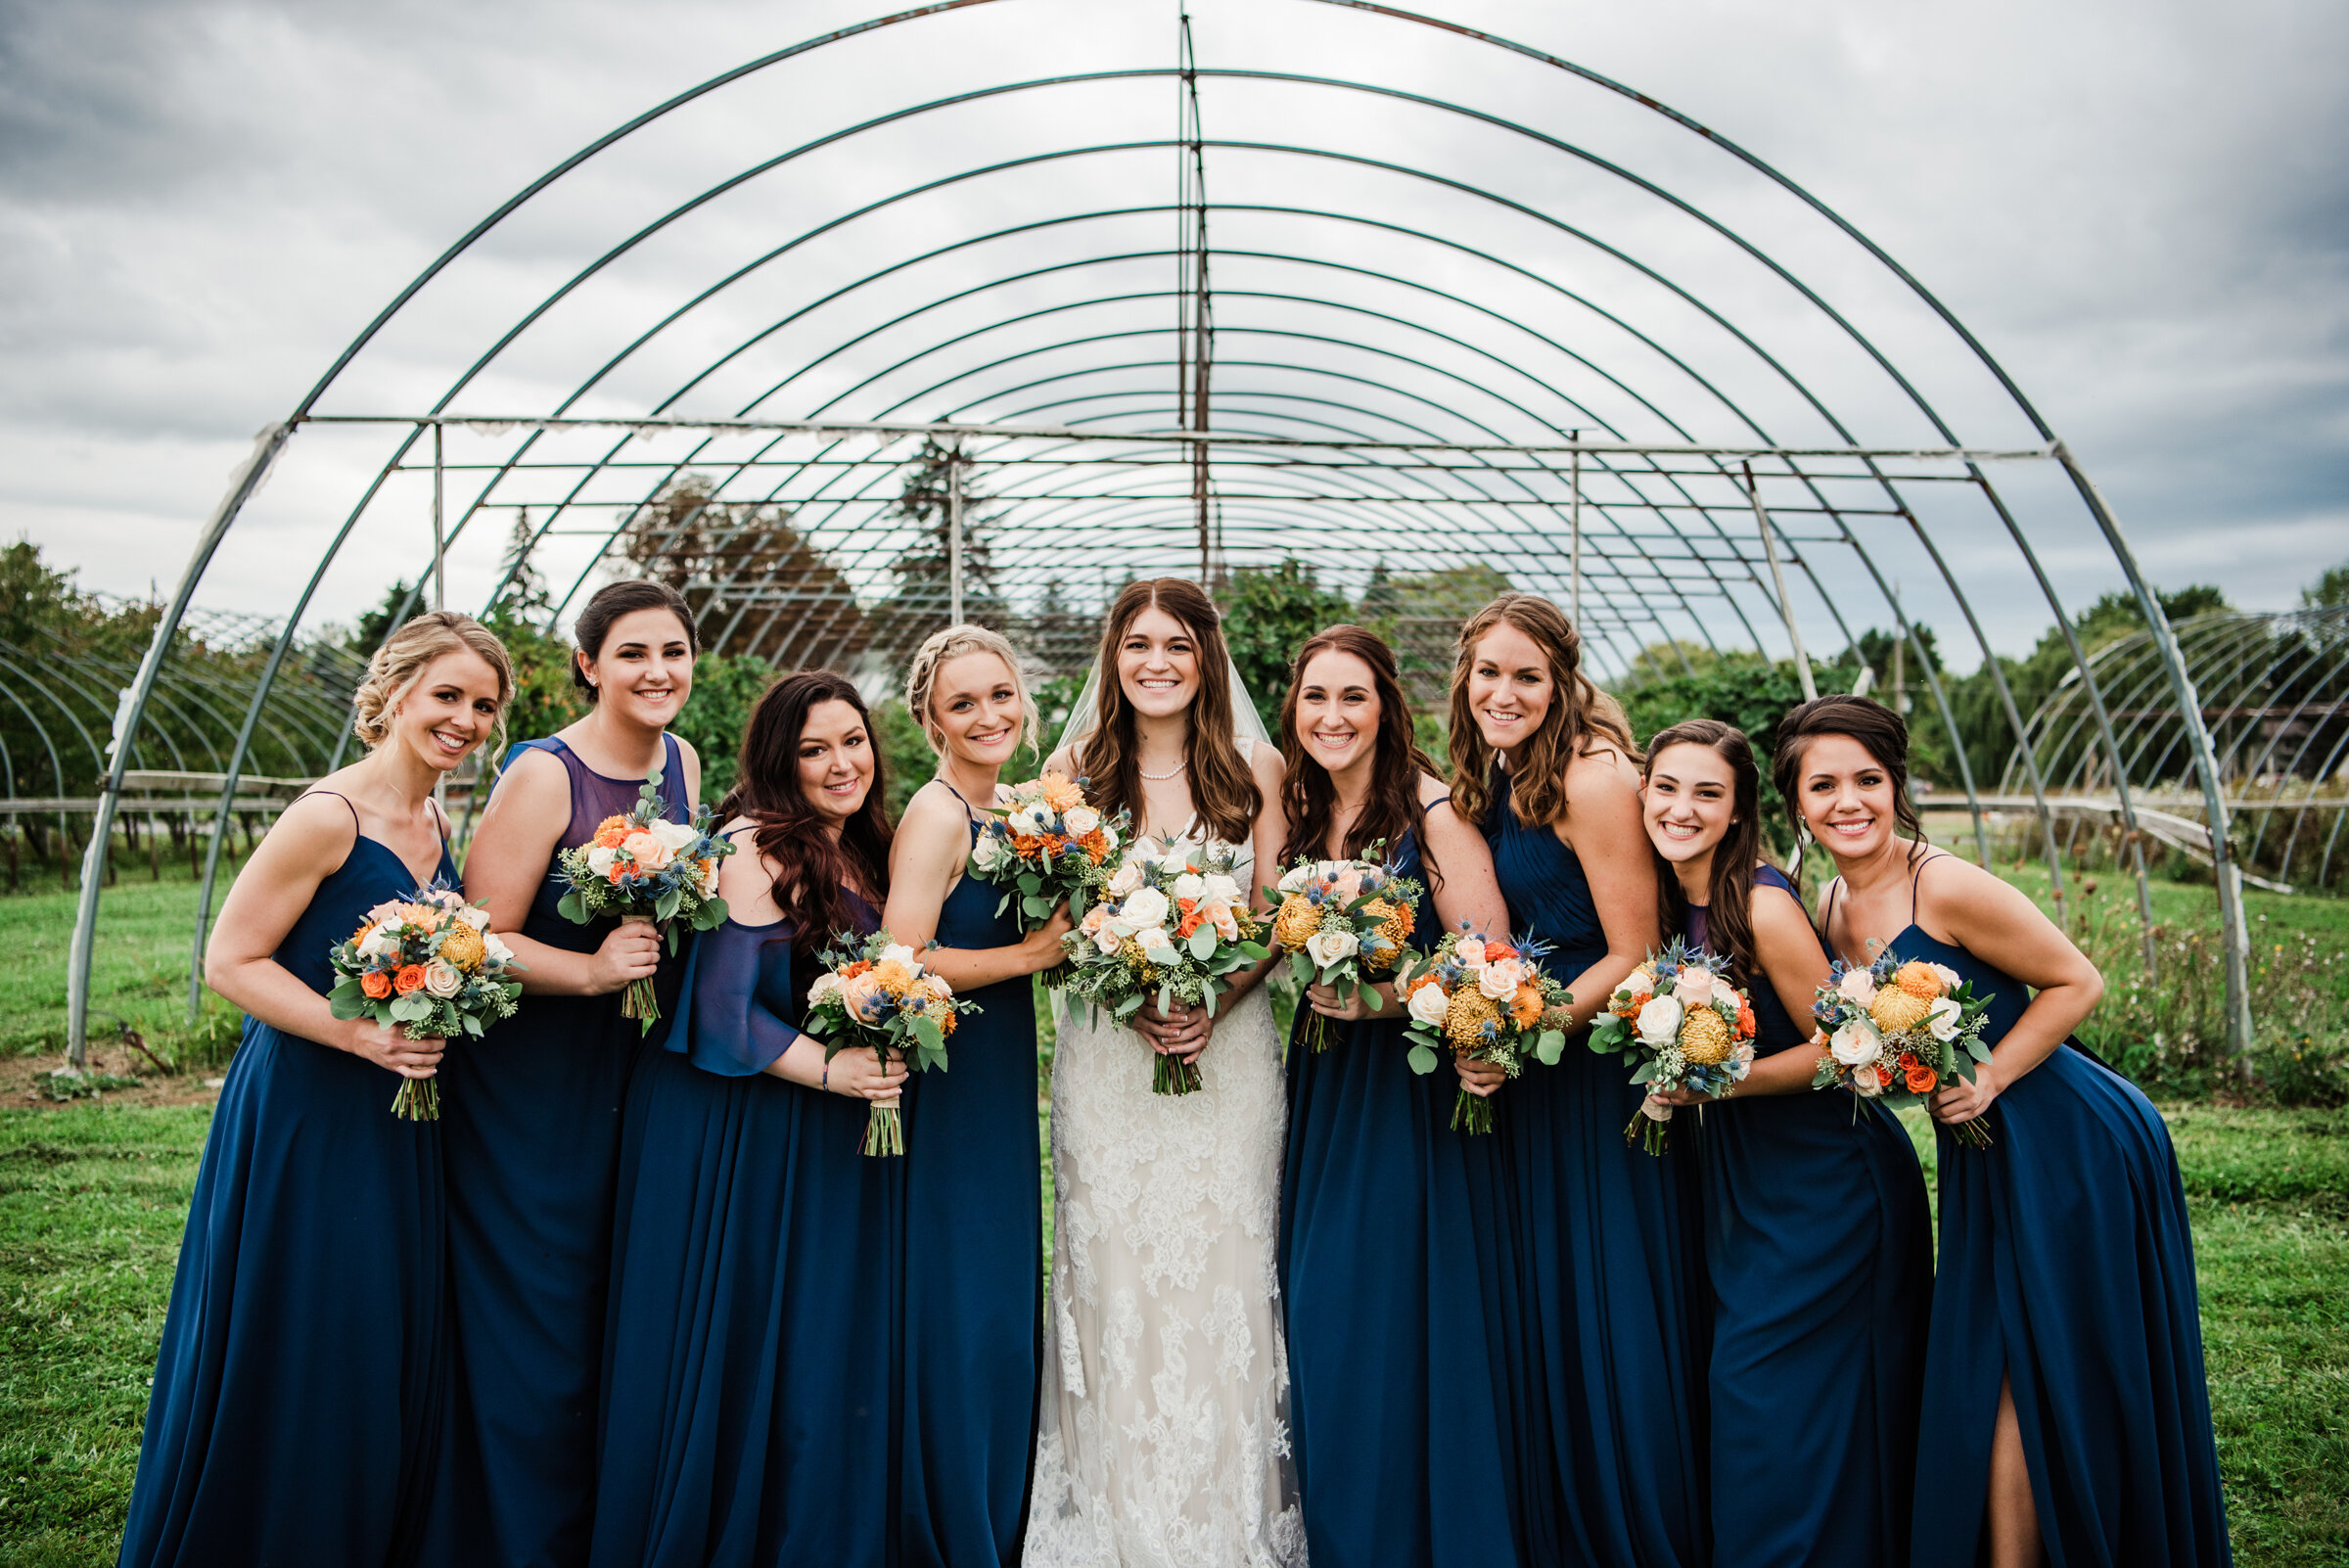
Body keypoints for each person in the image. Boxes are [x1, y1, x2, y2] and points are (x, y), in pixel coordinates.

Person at [1780, 694, 2232, 1568]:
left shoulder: (1942, 883)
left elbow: (2077, 981)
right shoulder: (1828, 904)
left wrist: (1990, 1076)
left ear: (1897, 784)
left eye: (1868, 779)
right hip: (1983, 1151)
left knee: (2041, 1362)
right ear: (1796, 801)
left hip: (2072, 1140)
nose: (1849, 801)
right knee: (1994, 1363)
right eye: (1824, 783)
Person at [118, 613, 512, 1568]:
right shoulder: (327, 815)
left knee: (373, 1328)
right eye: (448, 695)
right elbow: (228, 959)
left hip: (399, 1114)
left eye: (484, 706)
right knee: (308, 1320)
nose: (465, 721)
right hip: (309, 1110)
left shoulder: (435, 820)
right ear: (395, 693)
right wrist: (357, 1033)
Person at [588, 671, 906, 1568]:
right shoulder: (758, 845)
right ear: (778, 760)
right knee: (738, 1336)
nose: (842, 763)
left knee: (802, 1340)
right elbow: (726, 1012)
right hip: (733, 1122)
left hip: (795, 1121)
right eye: (814, 750)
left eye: (852, 740)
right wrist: (835, 1071)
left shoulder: (853, 842)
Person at [1024, 577, 1305, 1567]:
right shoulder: (1070, 770)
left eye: (1177, 646)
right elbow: (1054, 919)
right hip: (1107, 1058)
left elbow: (1274, 916)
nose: (1156, 663)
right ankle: (1114, 1520)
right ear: (1113, 655)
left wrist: (1213, 1003)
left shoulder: (1255, 769)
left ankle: (1229, 1524)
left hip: (1225, 1063)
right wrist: (1134, 994)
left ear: (1205, 659)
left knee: (1227, 1272)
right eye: (1138, 643)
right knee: (1116, 1279)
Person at [432, 580, 701, 1568]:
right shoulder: (543, 776)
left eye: (672, 651)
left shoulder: (683, 760)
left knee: (614, 1309)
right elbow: (474, 939)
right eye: (632, 654)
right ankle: (516, 1537)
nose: (656, 672)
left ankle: (604, 1528)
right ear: (588, 665)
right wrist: (589, 971)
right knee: (539, 1319)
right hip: (533, 1086)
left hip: (636, 1071)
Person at [1449, 592, 1706, 1567]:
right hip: (1535, 1076)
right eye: (1489, 673)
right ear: (1465, 677)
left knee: (1605, 1309)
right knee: (1547, 1311)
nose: (1504, 692)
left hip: (1592, 1080)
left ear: (1561, 683)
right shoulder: (1499, 772)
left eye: (1526, 676)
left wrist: (1520, 1030)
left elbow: (1636, 953)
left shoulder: (1594, 777)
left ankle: (1630, 1529)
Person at [1637, 717, 1931, 1567]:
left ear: (1738, 813)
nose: (1682, 809)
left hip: (1825, 1182)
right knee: (1772, 1403)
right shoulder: (1668, 897)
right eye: (1667, 788)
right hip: (1744, 1181)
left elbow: (1844, 1051)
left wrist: (1721, 1079)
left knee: (1770, 1397)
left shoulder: (1760, 903)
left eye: (1708, 794)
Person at [1272, 624, 1519, 1568]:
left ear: (1386, 707)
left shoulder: (1434, 816)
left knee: (1376, 1321)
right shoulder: (1303, 810)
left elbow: (1489, 970)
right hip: (1326, 1085)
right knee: (1321, 1318)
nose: (1332, 717)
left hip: (1403, 1099)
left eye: (1353, 698)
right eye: (1315, 698)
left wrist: (1380, 1000)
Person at [882, 625, 1072, 1568]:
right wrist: (1030, 958)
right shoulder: (940, 812)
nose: (988, 715)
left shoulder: (1019, 810)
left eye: (1000, 694)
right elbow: (900, 959)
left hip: (999, 1074)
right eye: (964, 704)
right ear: (930, 720)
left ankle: (998, 1507)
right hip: (951, 1080)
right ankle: (951, 1519)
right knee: (965, 1296)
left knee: (998, 1290)